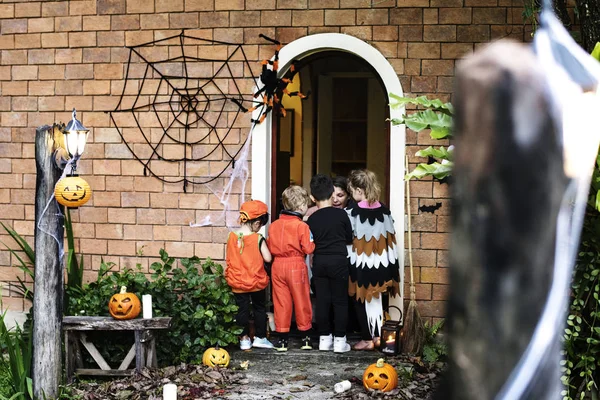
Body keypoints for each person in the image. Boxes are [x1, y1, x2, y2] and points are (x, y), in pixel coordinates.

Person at [346, 169, 400, 351]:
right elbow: (391, 241)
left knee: (360, 299)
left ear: (358, 190)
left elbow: (347, 239)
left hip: (359, 264)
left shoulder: (351, 212)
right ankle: (378, 337)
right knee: (376, 299)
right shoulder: (385, 211)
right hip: (382, 264)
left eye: (352, 191)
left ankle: (367, 338)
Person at [307, 174, 353, 353]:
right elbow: (349, 238)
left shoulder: (312, 219)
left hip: (319, 262)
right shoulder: (341, 214)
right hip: (339, 261)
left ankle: (324, 339)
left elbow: (311, 242)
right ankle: (340, 341)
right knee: (340, 301)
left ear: (312, 198)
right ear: (331, 193)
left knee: (323, 301)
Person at [267, 185, 316, 352]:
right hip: (296, 264)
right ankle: (306, 337)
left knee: (281, 302)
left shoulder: (274, 225)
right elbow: (308, 249)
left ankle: (282, 340)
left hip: (277, 265)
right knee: (301, 300)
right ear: (301, 206)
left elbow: (269, 245)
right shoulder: (302, 226)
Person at [225, 200, 274, 350]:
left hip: (238, 281)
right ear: (257, 222)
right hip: (255, 281)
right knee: (259, 308)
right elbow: (268, 258)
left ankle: (244, 339)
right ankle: (260, 337)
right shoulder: (258, 238)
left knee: (242, 310)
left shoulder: (231, 236)